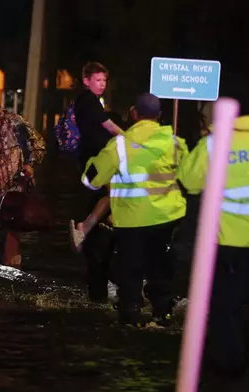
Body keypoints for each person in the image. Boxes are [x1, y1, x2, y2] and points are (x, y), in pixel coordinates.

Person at [177, 95, 249, 376]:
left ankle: (230, 365)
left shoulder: (214, 144)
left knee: (226, 306)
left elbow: (188, 181)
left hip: (230, 242)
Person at [80, 93, 187, 325]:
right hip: (166, 219)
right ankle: (163, 313)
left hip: (132, 219)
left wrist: (90, 162)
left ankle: (131, 316)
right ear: (159, 116)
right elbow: (190, 177)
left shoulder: (120, 144)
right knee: (160, 266)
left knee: (130, 269)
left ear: (134, 113)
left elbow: (91, 180)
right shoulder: (174, 142)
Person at [0, 96, 46, 268]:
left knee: (13, 229)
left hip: (14, 186)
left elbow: (38, 143)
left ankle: (11, 267)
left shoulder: (13, 122)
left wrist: (30, 164)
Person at [69, 61, 123, 302]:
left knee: (111, 193)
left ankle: (96, 223)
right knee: (112, 192)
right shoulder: (88, 100)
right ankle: (87, 226)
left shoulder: (90, 101)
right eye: (98, 80)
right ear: (86, 80)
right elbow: (109, 126)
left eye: (104, 80)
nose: (102, 84)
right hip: (95, 157)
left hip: (97, 155)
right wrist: (131, 138)